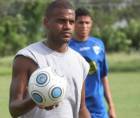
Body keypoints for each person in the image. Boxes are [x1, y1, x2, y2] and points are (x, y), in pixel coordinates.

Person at [9, 1, 91, 118]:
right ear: (46, 22)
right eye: (61, 21)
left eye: (71, 22)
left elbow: (81, 108)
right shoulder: (27, 57)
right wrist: (38, 98)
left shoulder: (80, 62)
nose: (67, 26)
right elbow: (14, 108)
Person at [69, 7, 116, 118]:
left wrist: (111, 106)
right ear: (74, 24)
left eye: (87, 22)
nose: (84, 26)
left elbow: (103, 77)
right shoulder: (66, 47)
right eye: (80, 22)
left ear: (91, 24)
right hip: (76, 105)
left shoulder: (98, 44)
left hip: (98, 106)